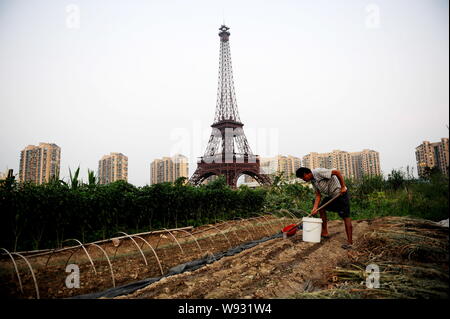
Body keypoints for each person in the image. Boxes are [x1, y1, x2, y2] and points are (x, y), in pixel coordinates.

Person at [296, 167, 353, 249]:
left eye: (303, 178)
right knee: (321, 208)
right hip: (332, 195)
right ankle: (325, 232)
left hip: (341, 194)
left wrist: (343, 186)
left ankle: (350, 243)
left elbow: (337, 172)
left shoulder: (318, 172)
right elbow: (318, 195)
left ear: (306, 174)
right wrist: (315, 208)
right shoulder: (313, 181)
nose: (303, 180)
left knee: (345, 216)